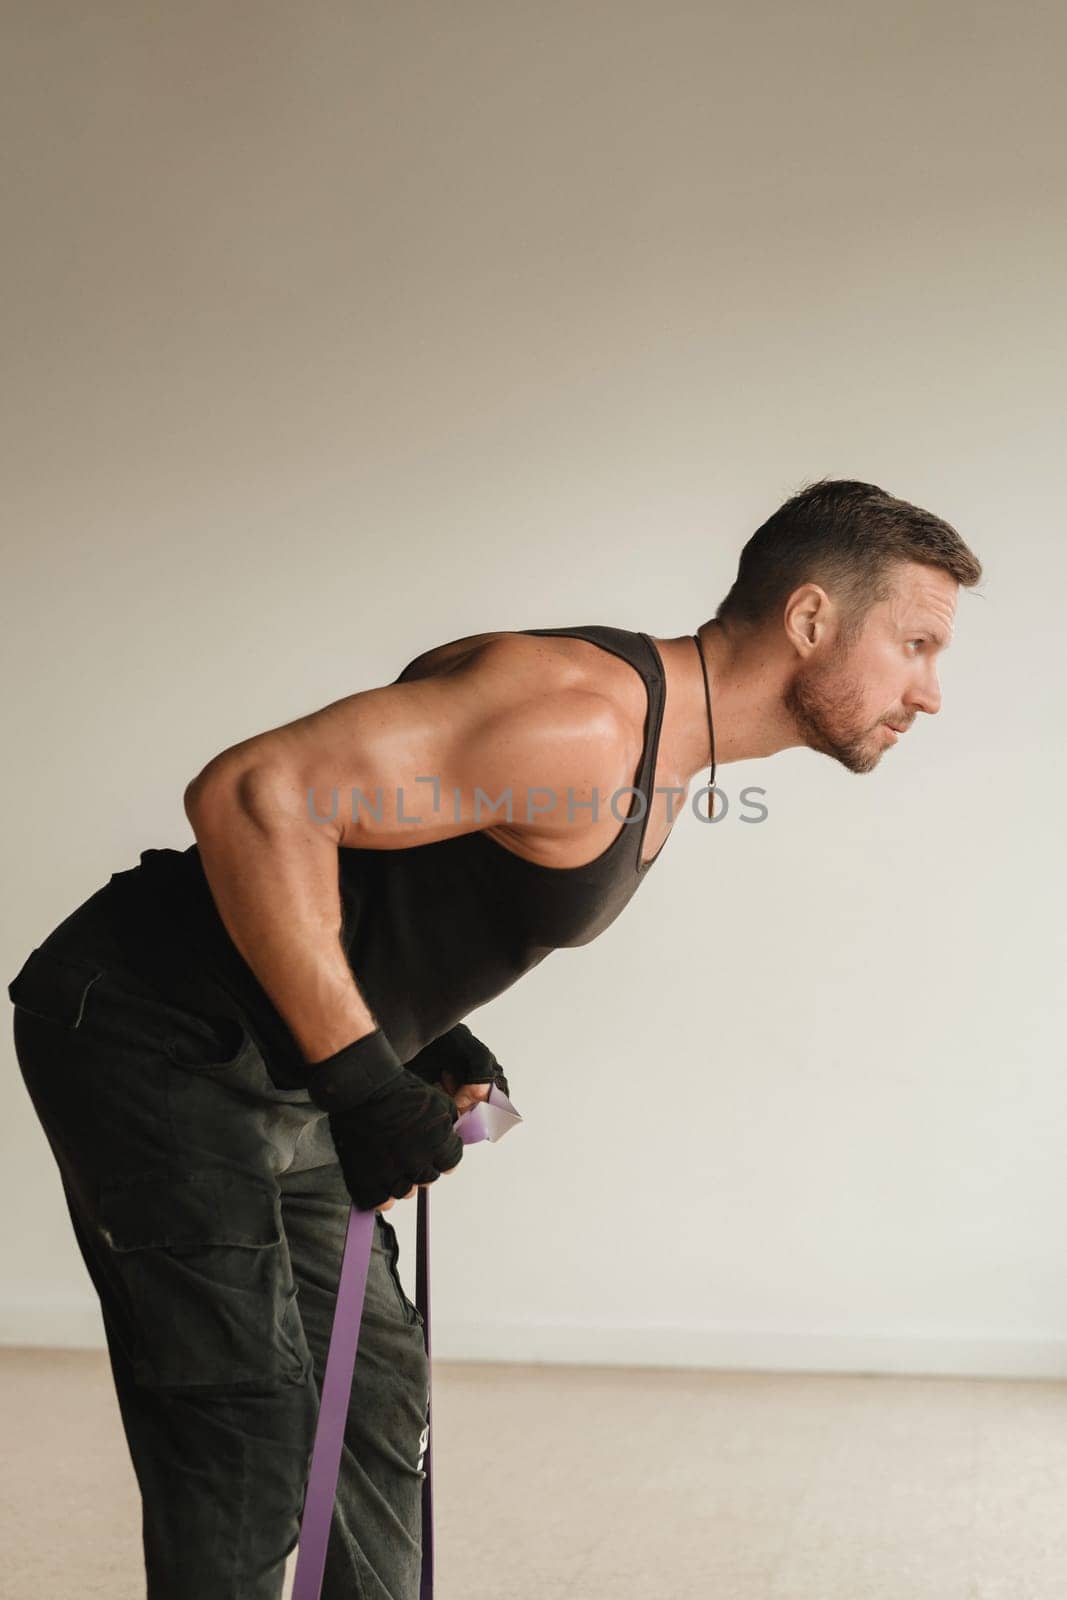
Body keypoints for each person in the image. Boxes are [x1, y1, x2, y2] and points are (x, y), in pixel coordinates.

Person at [8, 477, 982, 1599]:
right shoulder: (583, 721)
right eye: (912, 644)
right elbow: (252, 794)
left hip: (293, 1059)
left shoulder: (658, 744)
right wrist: (363, 1079)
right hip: (153, 1030)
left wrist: (419, 1034)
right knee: (245, 1419)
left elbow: (382, 865)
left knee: (371, 1402)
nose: (929, 692)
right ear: (809, 618)